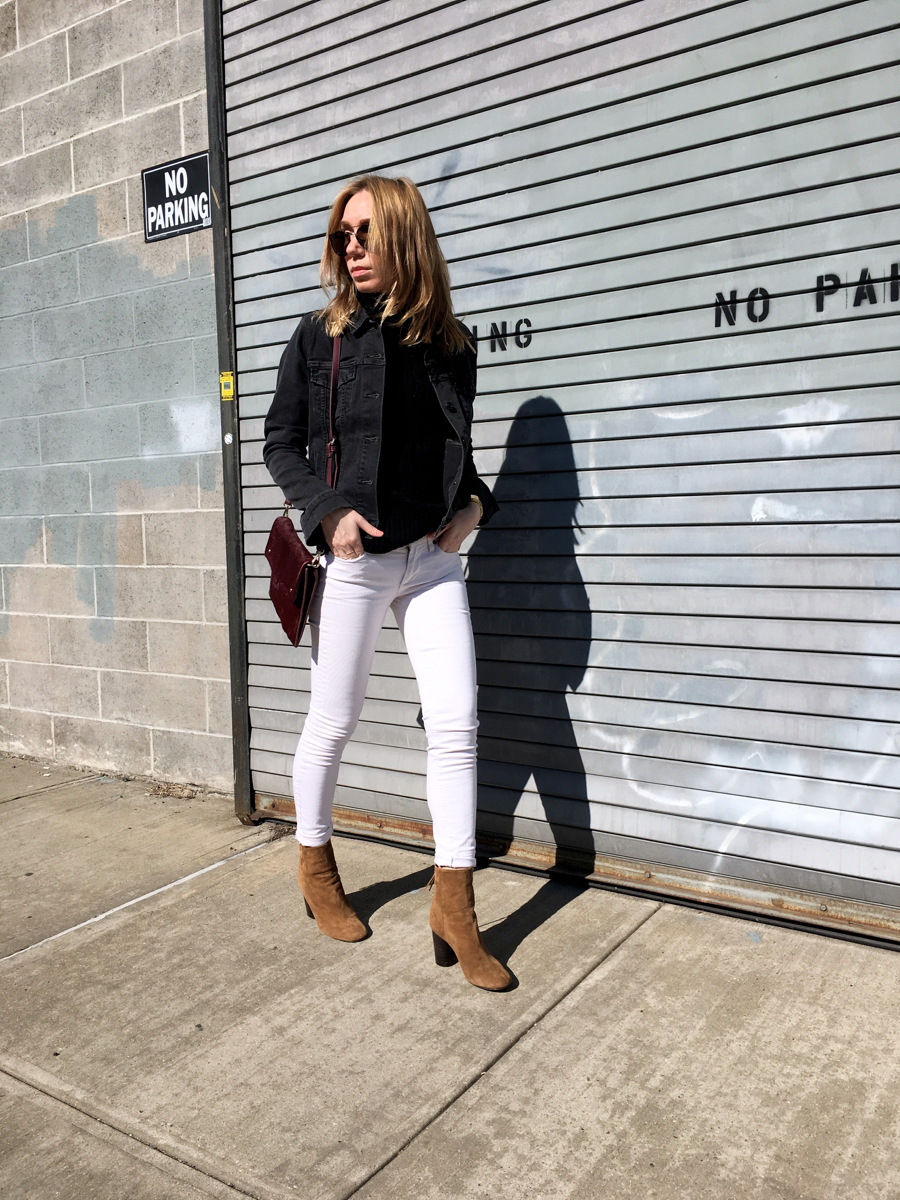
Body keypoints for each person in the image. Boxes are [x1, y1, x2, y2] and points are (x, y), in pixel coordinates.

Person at [263, 175, 510, 991]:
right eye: (342, 236)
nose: (352, 247)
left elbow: (461, 461)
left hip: (433, 559)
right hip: (359, 562)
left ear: (405, 235)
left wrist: (473, 509)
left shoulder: (453, 344)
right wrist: (328, 512)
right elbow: (281, 443)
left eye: (365, 232)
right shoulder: (318, 336)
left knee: (458, 724)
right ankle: (316, 870)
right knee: (334, 722)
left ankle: (455, 908)